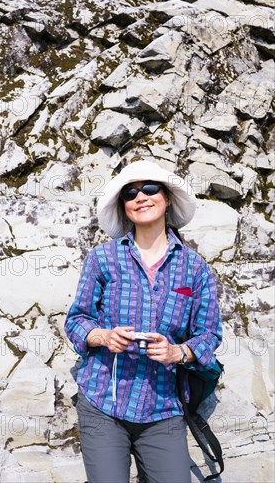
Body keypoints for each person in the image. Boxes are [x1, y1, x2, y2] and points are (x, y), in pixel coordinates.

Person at [64, 159, 222, 483]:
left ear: (166, 199)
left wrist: (177, 353)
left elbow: (208, 335)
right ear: (124, 207)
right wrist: (103, 336)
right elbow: (77, 320)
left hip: (163, 410)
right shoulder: (102, 258)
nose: (141, 196)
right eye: (130, 193)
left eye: (150, 189)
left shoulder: (196, 269)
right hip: (102, 404)